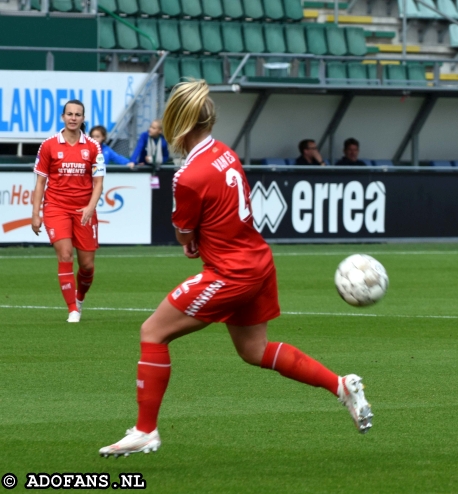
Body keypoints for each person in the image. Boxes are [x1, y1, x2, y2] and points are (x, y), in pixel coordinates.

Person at [99, 80, 372, 458]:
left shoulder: (188, 175)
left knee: (153, 332)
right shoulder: (226, 154)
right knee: (254, 350)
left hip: (231, 273)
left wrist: (192, 241)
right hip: (258, 261)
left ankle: (145, 430)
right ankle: (340, 385)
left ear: (181, 122)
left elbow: (183, 236)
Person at [31, 100, 105, 323]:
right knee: (64, 254)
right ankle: (72, 308)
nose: (73, 118)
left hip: (84, 209)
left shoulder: (93, 146)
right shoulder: (48, 145)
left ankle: (80, 298)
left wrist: (90, 208)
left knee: (87, 265)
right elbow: (40, 183)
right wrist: (36, 213)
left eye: (78, 115)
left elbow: (99, 182)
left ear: (83, 119)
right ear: (63, 117)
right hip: (56, 207)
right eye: (70, 114)